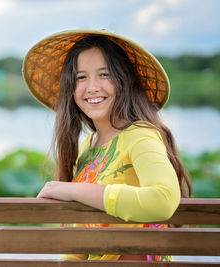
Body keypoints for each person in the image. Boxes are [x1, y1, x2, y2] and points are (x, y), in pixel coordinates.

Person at [22, 30, 192, 261]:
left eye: (104, 74)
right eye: (81, 77)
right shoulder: (88, 146)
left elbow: (162, 201)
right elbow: (79, 241)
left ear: (125, 81)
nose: (92, 87)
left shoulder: (140, 137)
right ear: (71, 88)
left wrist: (72, 189)